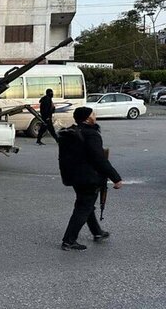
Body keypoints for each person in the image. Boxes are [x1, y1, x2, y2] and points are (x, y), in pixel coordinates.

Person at [58, 106, 123, 251]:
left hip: (75, 177)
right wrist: (116, 178)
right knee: (83, 207)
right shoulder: (91, 134)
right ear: (87, 118)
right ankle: (69, 241)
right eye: (93, 114)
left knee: (85, 204)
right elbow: (99, 159)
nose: (95, 116)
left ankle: (97, 232)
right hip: (89, 178)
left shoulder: (71, 132)